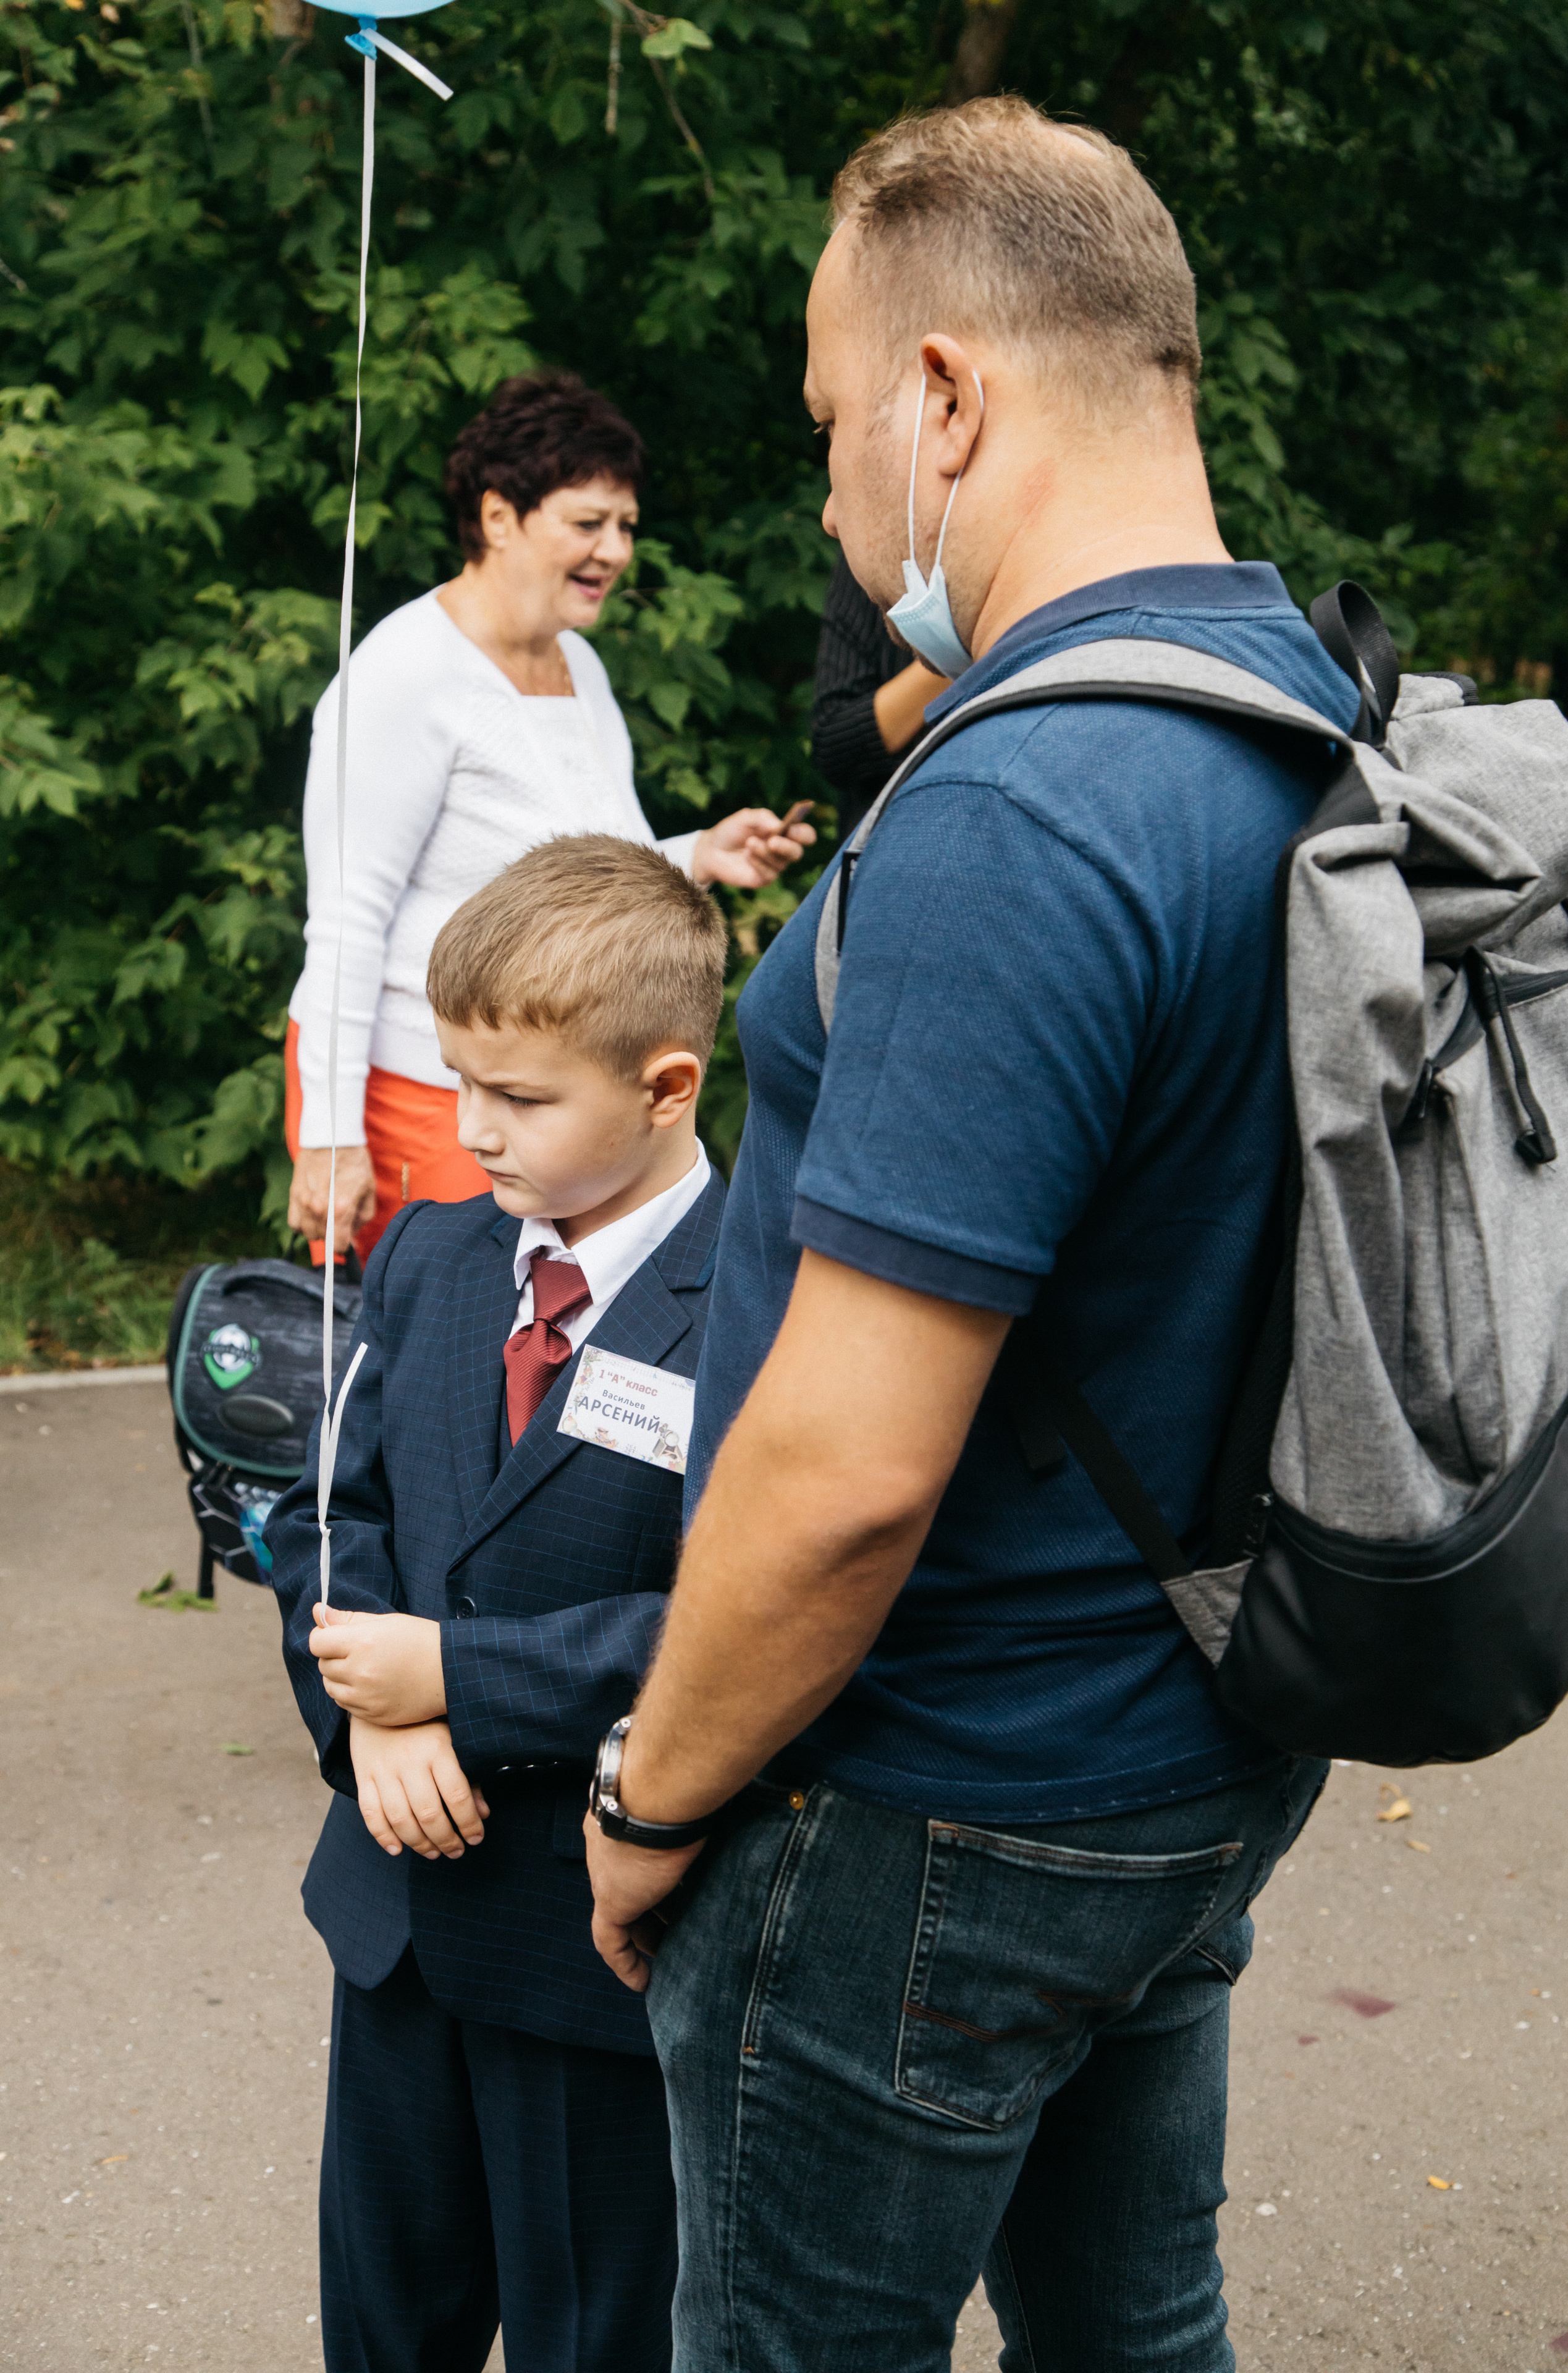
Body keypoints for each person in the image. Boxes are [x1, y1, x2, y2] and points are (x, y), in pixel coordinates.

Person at [584, 98, 1352, 2372]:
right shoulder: (1302, 706)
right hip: (1200, 1746)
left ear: (941, 398)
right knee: (1139, 2327)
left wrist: (650, 1793)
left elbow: (843, 1476)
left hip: (930, 1806)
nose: (835, 504)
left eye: (834, 424)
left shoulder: (1017, 803)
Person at [266, 834, 728, 2373]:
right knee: (381, 2327)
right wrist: (371, 1724)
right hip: (395, 1916)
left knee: (595, 2337)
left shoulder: (758, 1295)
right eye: (456, 1080)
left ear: (665, 1086)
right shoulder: (435, 1249)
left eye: (519, 1098)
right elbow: (327, 1512)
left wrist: (455, 1677)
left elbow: (743, 1617)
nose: (471, 1130)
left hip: (594, 1948)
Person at [284, 367, 813, 1265]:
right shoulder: (403, 675)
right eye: (588, 523)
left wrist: (697, 853)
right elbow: (346, 921)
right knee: (439, 1333)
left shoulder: (581, 666)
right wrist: (331, 1137)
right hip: (425, 1089)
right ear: (499, 517)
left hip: (563, 1092)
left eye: (626, 526)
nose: (616, 550)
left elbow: (579, 872)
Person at [809, 549, 943, 837]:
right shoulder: (870, 547)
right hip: (889, 835)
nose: (830, 526)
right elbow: (834, 743)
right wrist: (958, 649)